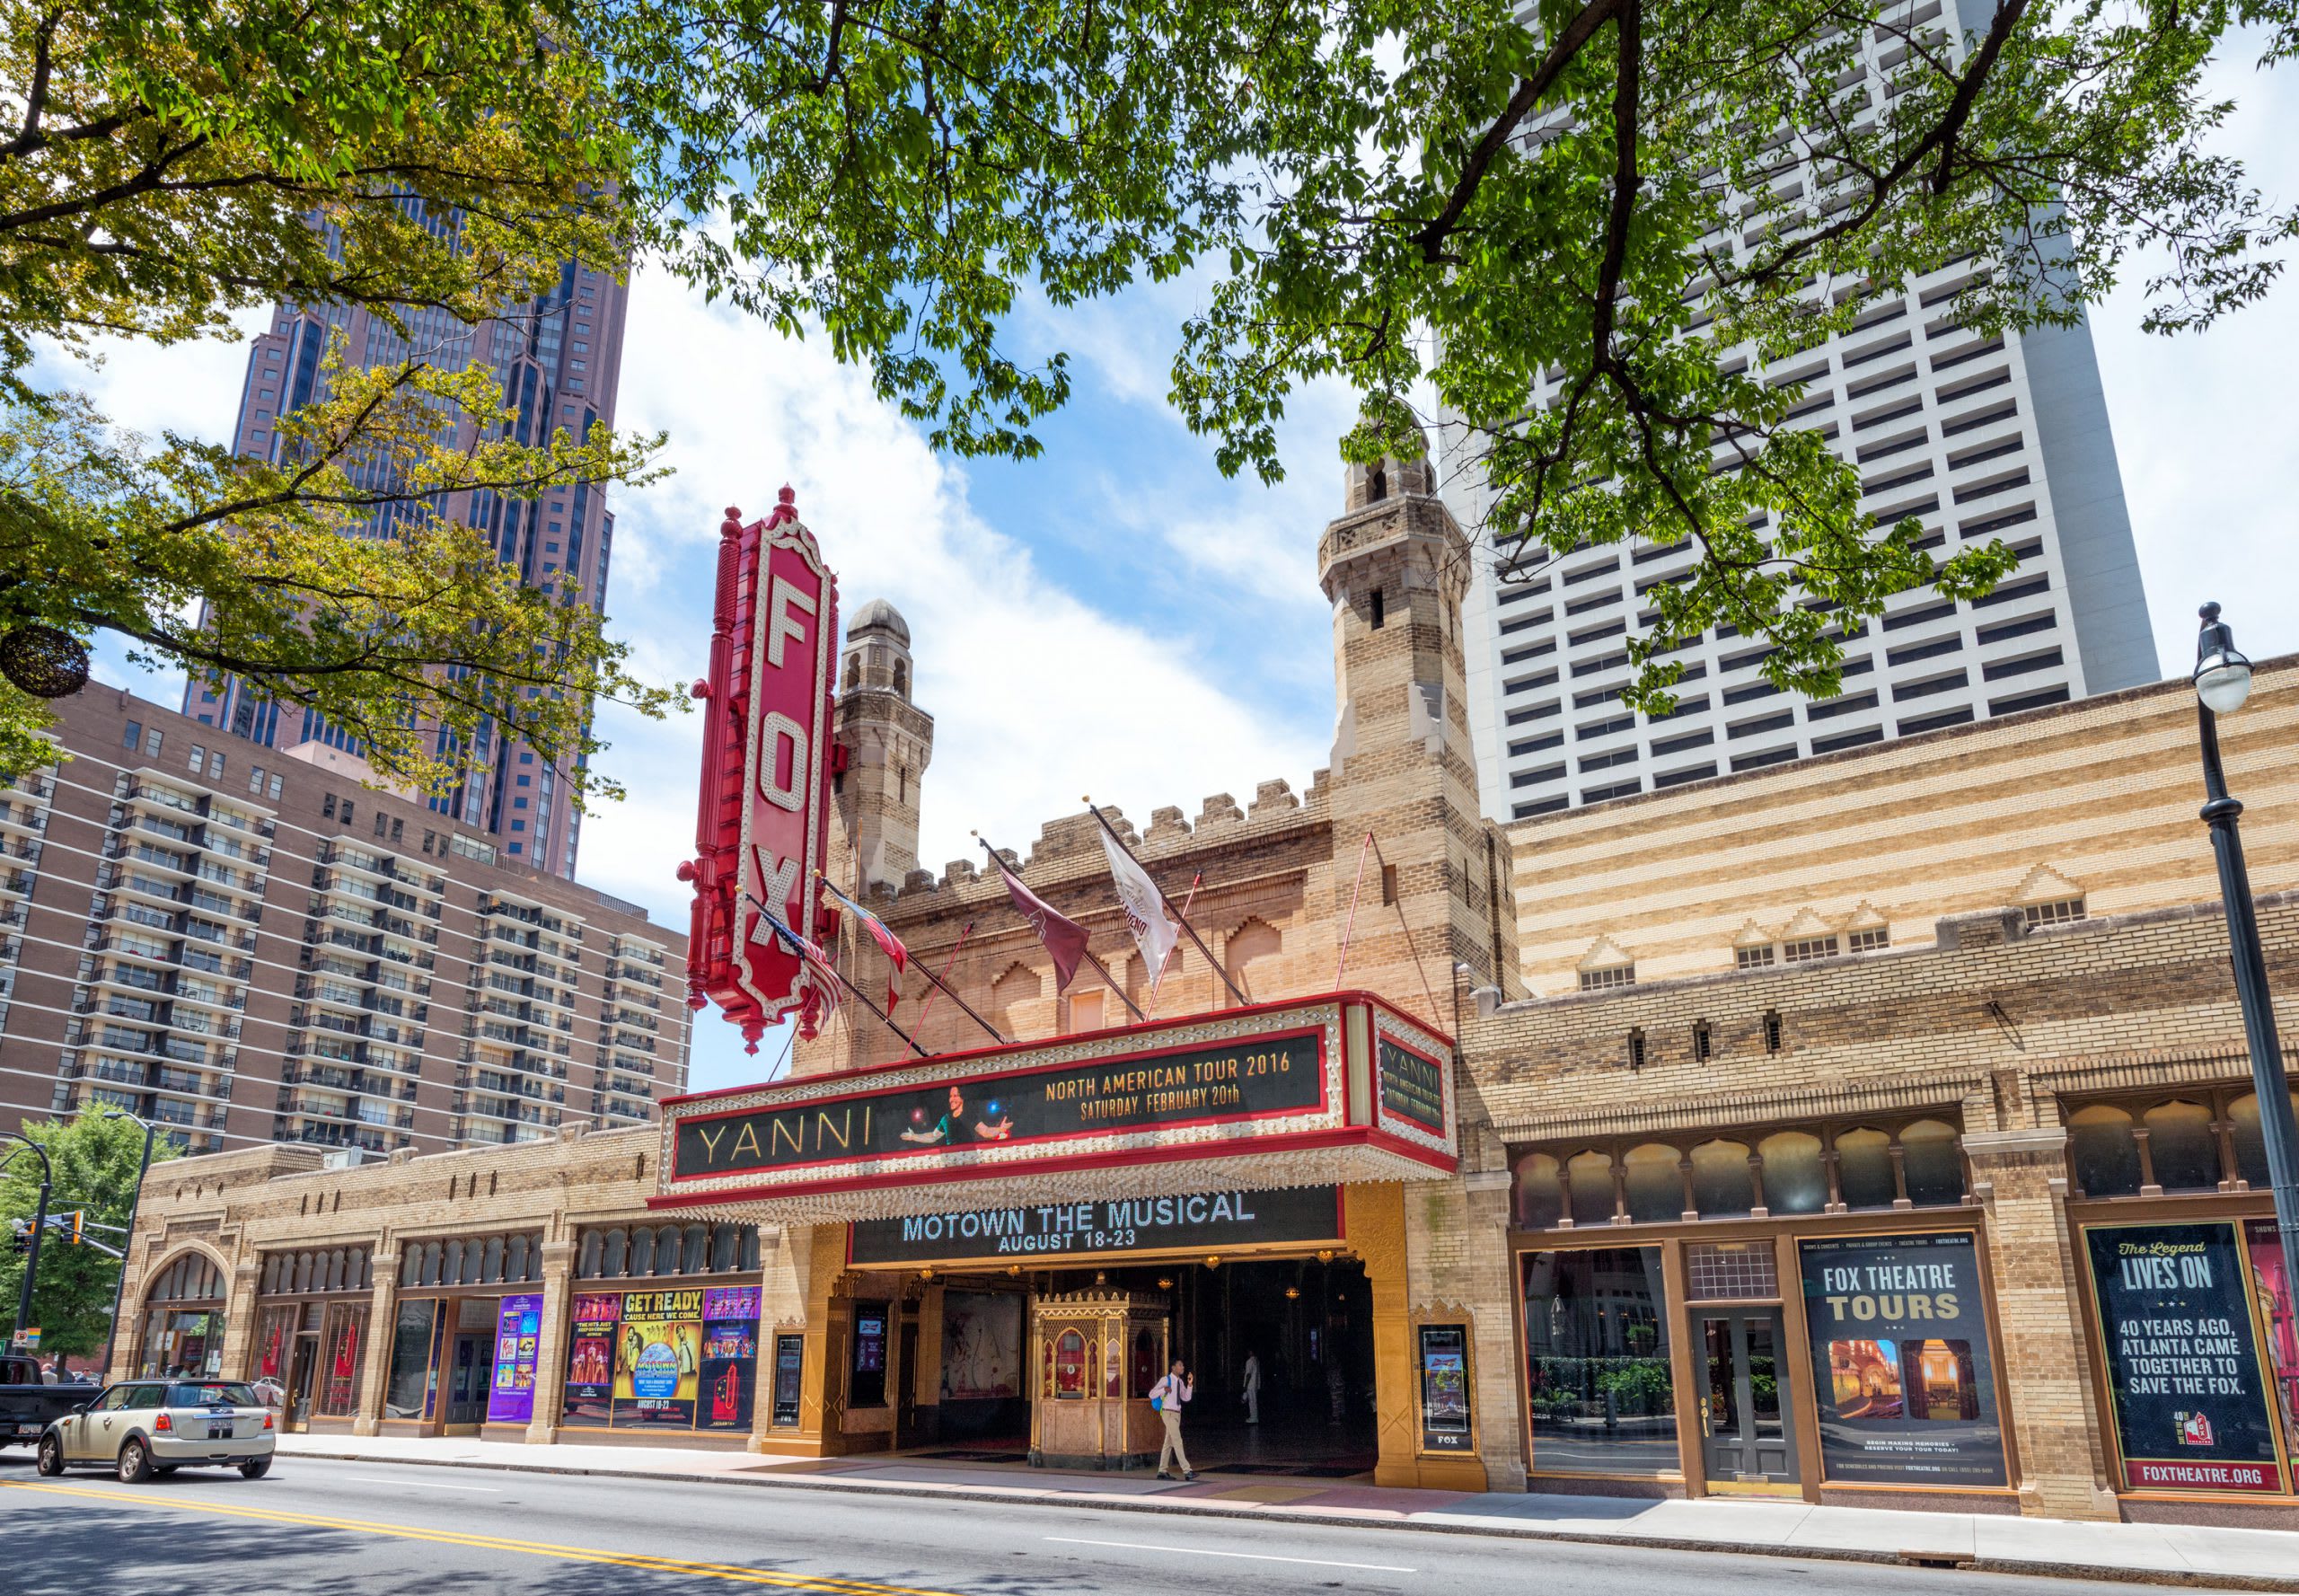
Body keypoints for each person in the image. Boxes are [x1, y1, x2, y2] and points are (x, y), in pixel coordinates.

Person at [1149, 1358, 1195, 1480]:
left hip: (1177, 1414)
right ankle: (1187, 1470)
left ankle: (1162, 1471)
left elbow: (1186, 1398)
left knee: (1168, 1443)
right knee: (1177, 1440)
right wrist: (1163, 1389)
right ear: (1173, 1368)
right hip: (1168, 1413)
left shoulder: (1180, 1382)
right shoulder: (1166, 1380)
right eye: (1180, 1365)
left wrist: (1190, 1384)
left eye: (1183, 1365)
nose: (1182, 1367)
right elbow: (1152, 1394)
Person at [1240, 1349, 1262, 1425]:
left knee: (1251, 1402)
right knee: (1254, 1401)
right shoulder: (1257, 1361)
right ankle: (1254, 1417)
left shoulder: (1249, 1361)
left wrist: (1245, 1385)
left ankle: (1253, 1417)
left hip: (1250, 1384)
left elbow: (1248, 1374)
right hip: (1255, 1384)